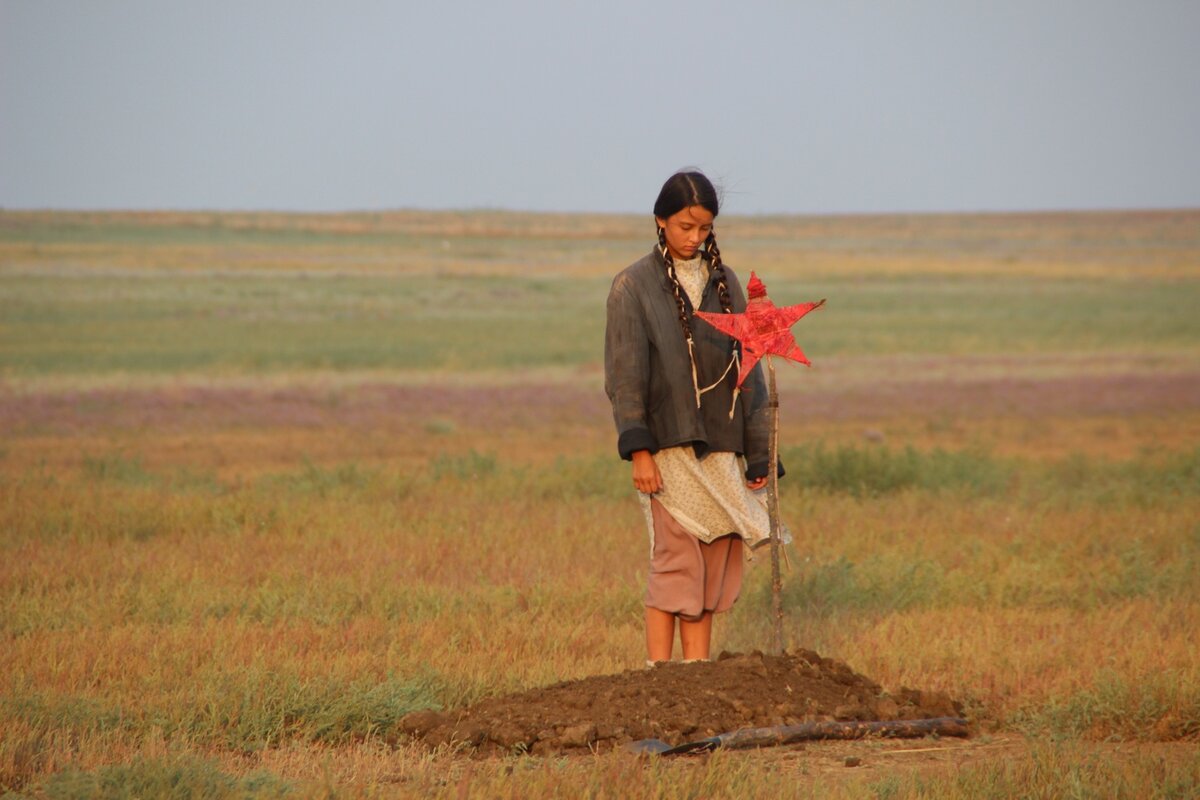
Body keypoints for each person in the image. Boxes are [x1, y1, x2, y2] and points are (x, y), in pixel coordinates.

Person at [604, 170, 780, 665]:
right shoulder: (632, 286)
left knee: (711, 564)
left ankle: (695, 680)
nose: (694, 238)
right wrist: (639, 451)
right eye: (684, 226)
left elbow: (751, 377)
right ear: (660, 221)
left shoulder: (726, 285)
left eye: (703, 229)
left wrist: (760, 453)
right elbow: (625, 377)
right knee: (676, 565)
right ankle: (660, 680)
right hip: (666, 449)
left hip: (723, 446)